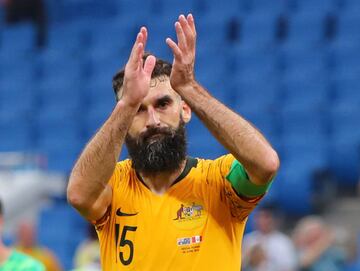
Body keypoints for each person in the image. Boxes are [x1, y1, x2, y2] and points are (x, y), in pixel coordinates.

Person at [67, 13, 280, 270]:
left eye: (163, 103)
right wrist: (126, 106)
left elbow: (266, 163)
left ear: (185, 110)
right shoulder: (113, 187)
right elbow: (78, 195)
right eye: (139, 110)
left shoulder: (218, 182)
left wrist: (188, 87)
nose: (153, 120)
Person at [242, 204, 297, 271]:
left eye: (266, 217)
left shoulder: (283, 242)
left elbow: (289, 267)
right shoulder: (248, 239)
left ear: (275, 219)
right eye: (259, 217)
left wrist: (266, 258)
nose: (261, 220)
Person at [0, 199, 45, 270]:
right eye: (24, 233)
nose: (27, 237)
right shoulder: (16, 248)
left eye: (29, 233)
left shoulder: (30, 266)